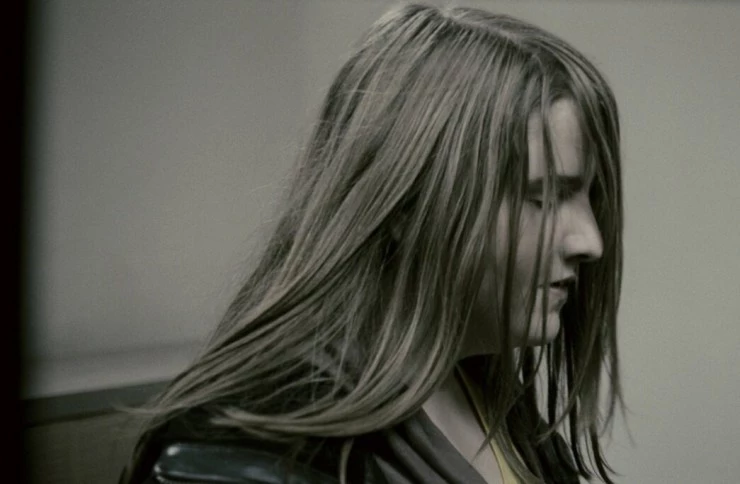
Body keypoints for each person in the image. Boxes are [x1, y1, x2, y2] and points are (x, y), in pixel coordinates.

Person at [120, 3, 626, 483]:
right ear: (405, 206)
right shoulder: (242, 456)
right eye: (541, 198)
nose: (591, 241)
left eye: (589, 197)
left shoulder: (491, 399)